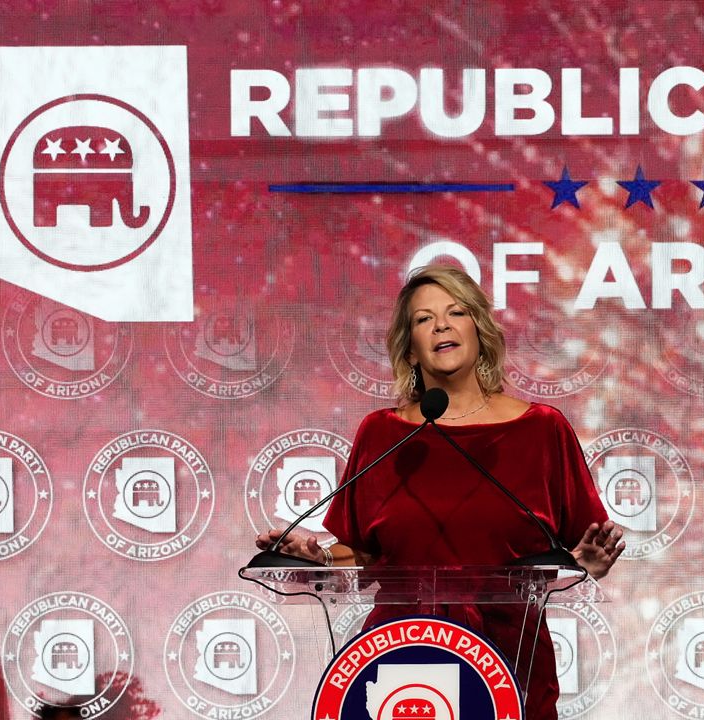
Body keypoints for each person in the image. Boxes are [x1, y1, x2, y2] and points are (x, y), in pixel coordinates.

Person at [256, 264, 624, 719]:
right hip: (400, 667)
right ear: (410, 349)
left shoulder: (541, 431)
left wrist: (585, 564)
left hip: (511, 669)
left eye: (456, 312)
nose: (442, 325)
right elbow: (363, 552)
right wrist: (320, 556)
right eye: (424, 319)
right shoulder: (382, 434)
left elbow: (577, 549)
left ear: (479, 331)